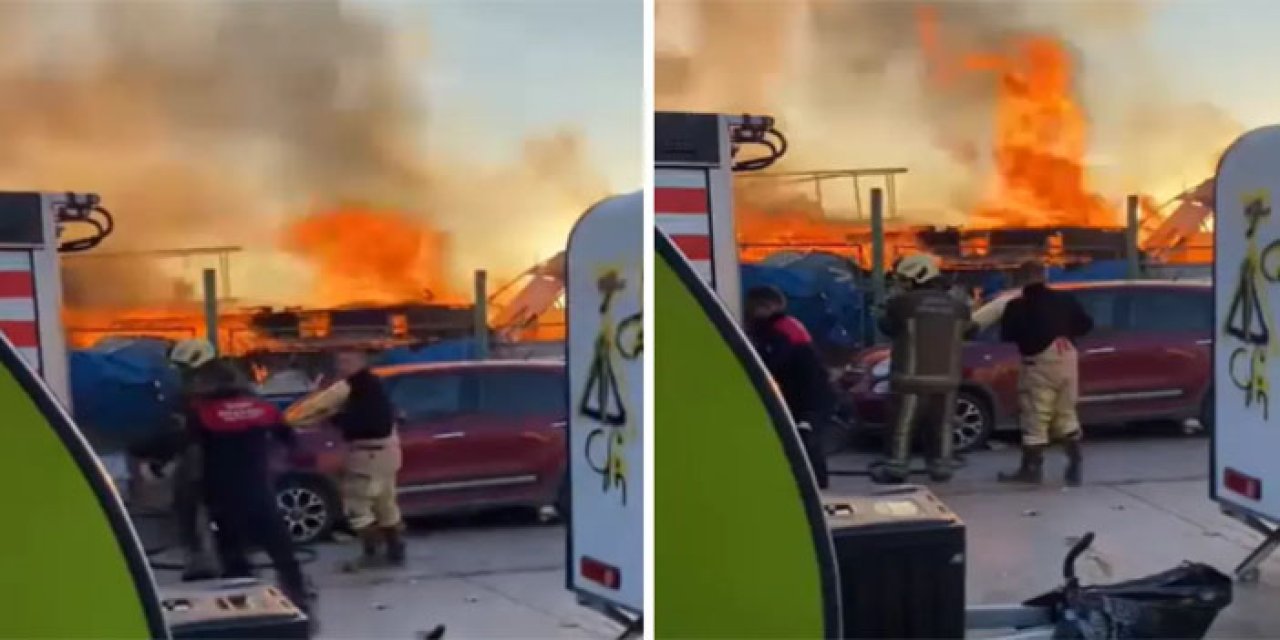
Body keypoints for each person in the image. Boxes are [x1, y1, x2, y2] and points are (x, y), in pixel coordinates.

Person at [181, 357, 313, 616]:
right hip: (259, 488)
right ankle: (298, 598)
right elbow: (289, 439)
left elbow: (191, 453)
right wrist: (287, 464)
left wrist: (192, 491)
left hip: (221, 493)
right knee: (281, 550)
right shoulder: (261, 408)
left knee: (232, 553)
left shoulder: (202, 414)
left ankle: (242, 606)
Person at [285, 349, 405, 571]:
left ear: (360, 362)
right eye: (339, 360)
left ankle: (372, 554)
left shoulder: (347, 387)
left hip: (365, 454)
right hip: (388, 453)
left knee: (357, 507)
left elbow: (311, 409)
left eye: (347, 360)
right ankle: (396, 550)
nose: (342, 365)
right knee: (385, 503)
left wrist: (288, 420)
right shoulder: (375, 385)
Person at [869, 253, 971, 484]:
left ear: (916, 277)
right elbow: (970, 330)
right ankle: (941, 467)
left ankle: (896, 467)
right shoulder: (958, 306)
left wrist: (885, 307)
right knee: (942, 424)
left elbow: (887, 327)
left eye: (904, 280)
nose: (902, 285)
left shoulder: (902, 303)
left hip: (910, 377)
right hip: (947, 378)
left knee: (902, 425)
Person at [997, 263, 1093, 486]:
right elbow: (1086, 324)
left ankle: (1031, 469)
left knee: (1035, 413)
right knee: (1066, 411)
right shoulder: (1066, 300)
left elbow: (1007, 334)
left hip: (1037, 363)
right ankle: (1074, 465)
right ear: (1045, 276)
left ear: (1021, 280)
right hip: (1068, 359)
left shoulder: (1018, 306)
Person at [744, 285, 836, 490]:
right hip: (808, 395)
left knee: (805, 439)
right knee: (804, 438)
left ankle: (816, 488)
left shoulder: (779, 330)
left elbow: (772, 363)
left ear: (766, 306)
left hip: (807, 398)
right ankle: (816, 486)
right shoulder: (786, 326)